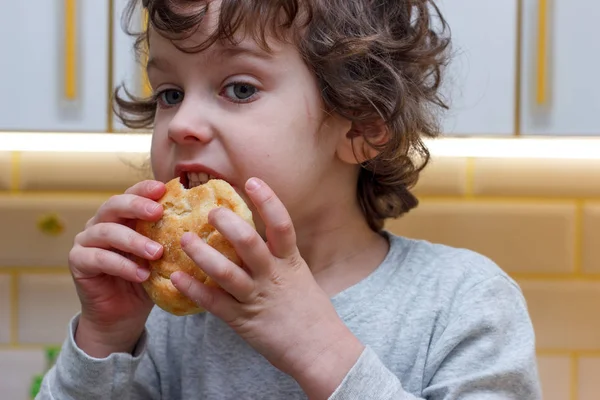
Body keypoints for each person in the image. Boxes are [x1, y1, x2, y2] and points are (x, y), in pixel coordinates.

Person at [37, 0, 542, 398]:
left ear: (362, 125)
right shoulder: (168, 319)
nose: (183, 124)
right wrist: (104, 341)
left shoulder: (462, 302)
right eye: (170, 93)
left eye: (238, 89)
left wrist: (318, 350)